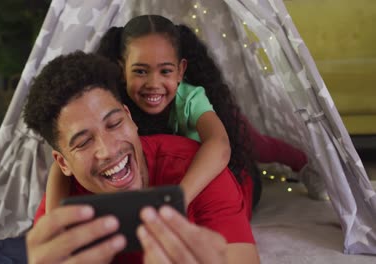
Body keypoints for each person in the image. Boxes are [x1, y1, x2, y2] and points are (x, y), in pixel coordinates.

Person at [44, 14, 326, 216]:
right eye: (140, 71)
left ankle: (302, 162)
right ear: (121, 68)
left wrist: (179, 198)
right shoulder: (112, 101)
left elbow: (219, 145)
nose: (153, 83)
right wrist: (54, 223)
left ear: (180, 70)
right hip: (169, 172)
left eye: (165, 71)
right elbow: (64, 159)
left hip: (222, 169)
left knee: (252, 141)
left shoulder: (190, 97)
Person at [23, 51, 260, 263]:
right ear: (63, 162)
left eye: (115, 124)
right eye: (83, 142)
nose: (109, 150)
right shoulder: (61, 210)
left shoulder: (196, 166)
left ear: (130, 118)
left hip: (244, 180)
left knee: (255, 152)